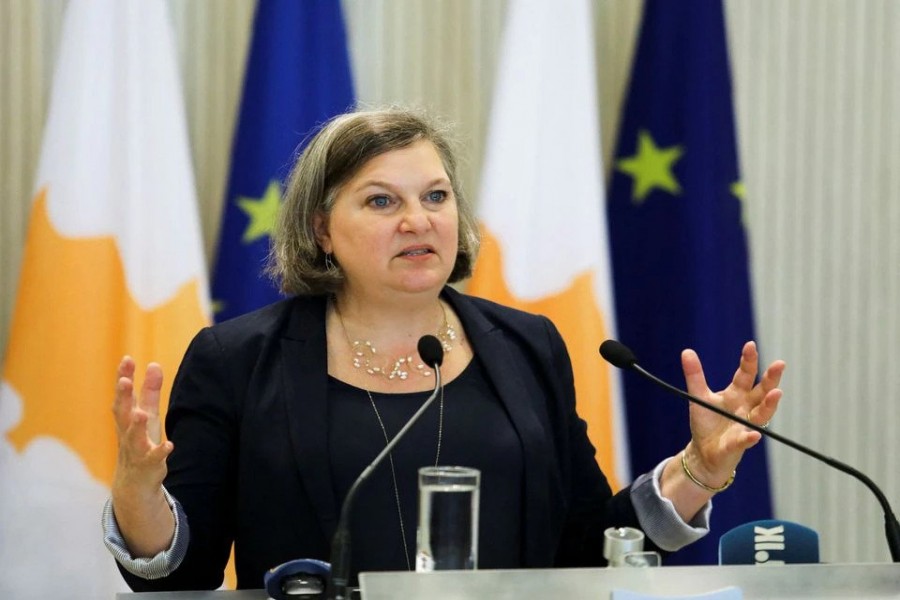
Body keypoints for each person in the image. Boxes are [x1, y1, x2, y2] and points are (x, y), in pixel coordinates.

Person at [103, 107, 785, 591]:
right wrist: (138, 497)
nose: (418, 219)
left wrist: (696, 469)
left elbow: (588, 548)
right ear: (321, 231)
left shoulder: (524, 346)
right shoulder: (239, 361)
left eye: (436, 195)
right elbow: (178, 579)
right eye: (380, 202)